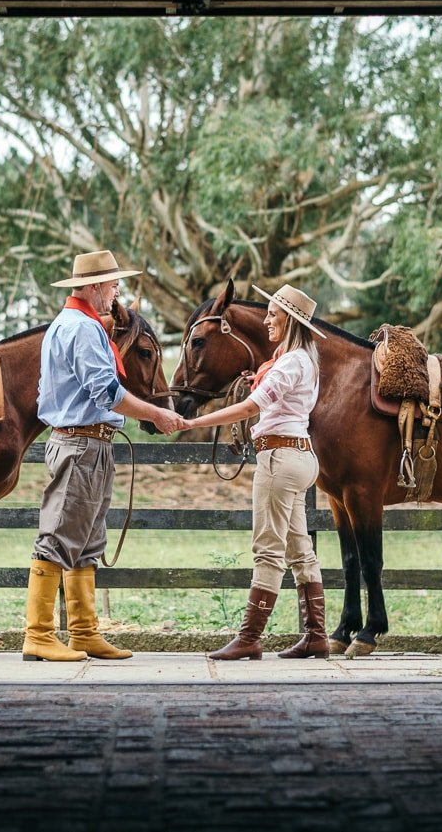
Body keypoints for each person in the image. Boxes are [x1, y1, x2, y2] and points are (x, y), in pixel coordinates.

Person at [24, 249, 185, 662]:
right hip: (81, 444)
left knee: (88, 540)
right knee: (60, 535)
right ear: (94, 286)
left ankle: (83, 632)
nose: (117, 292)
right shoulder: (81, 329)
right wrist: (157, 414)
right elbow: (107, 392)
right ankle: (39, 634)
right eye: (113, 285)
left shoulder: (75, 325)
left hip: (89, 443)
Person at [178, 283, 329, 660]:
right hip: (298, 457)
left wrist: (195, 424)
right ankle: (316, 635)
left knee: (267, 550)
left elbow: (250, 408)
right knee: (300, 550)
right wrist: (257, 382)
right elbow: (275, 400)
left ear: (290, 322)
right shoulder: (301, 360)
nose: (267, 321)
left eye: (274, 315)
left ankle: (249, 638)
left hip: (279, 460)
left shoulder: (290, 361)